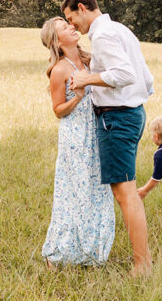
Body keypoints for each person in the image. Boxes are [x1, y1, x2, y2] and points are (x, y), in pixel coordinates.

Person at [63, 0, 154, 276]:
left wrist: (86, 79)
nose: (72, 25)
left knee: (126, 193)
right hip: (133, 113)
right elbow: (145, 79)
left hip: (117, 119)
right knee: (125, 191)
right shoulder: (120, 29)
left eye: (71, 18)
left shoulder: (102, 35)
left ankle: (143, 265)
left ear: (82, 7)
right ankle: (142, 260)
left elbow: (125, 74)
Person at [39, 16, 115, 267]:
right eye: (64, 27)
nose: (72, 27)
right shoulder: (59, 69)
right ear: (56, 41)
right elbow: (58, 110)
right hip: (75, 136)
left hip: (97, 131)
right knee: (75, 192)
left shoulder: (89, 59)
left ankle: (92, 253)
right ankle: (58, 253)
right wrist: (78, 97)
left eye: (70, 24)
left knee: (96, 190)